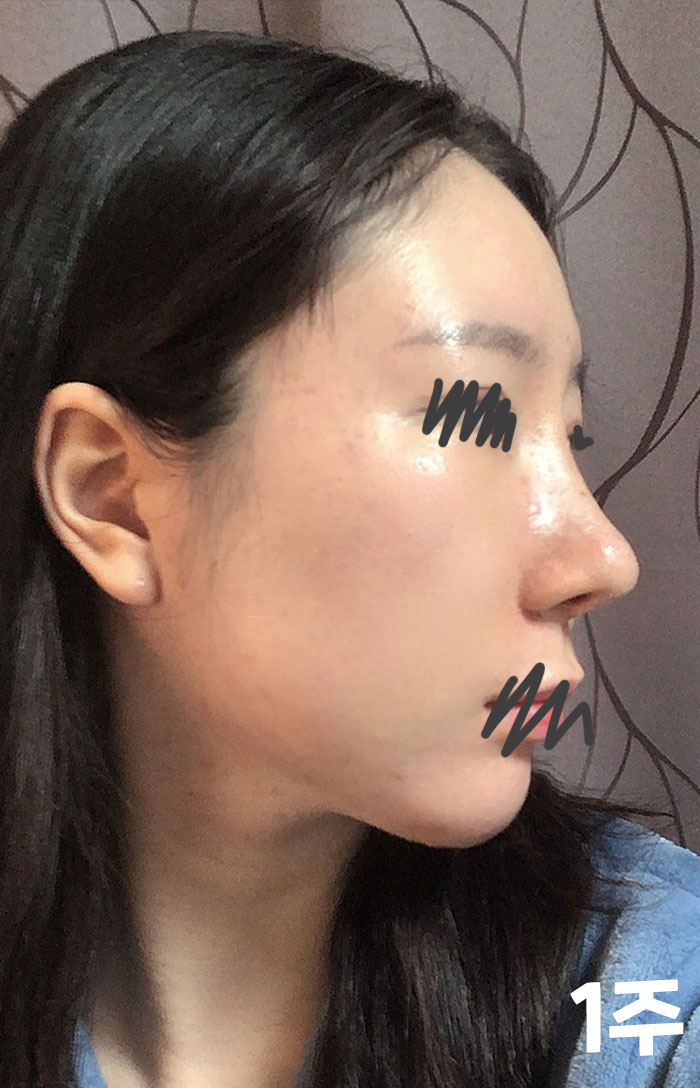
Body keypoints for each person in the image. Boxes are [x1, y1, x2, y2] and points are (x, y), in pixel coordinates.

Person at [0, 27, 698, 1088]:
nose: (601, 558)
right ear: (113, 496)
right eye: (478, 418)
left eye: (570, 437)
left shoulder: (644, 998)